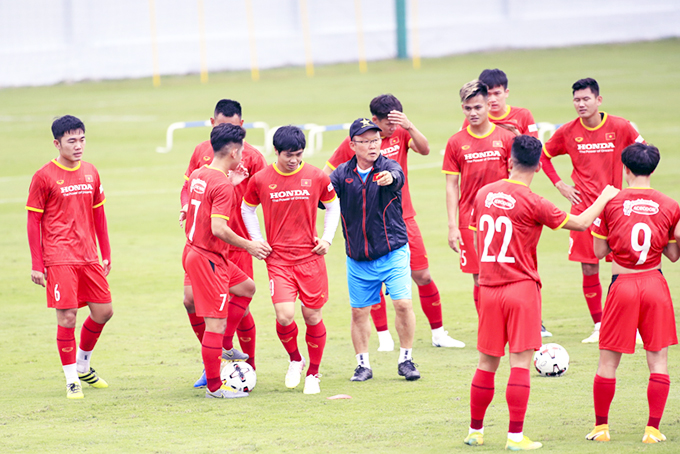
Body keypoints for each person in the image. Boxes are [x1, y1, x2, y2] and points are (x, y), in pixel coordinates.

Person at [464, 135, 619, 450]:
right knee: (519, 363)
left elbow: (479, 237)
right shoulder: (535, 202)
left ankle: (475, 432)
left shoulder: (483, 194)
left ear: (510, 161)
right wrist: (605, 197)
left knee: (486, 364)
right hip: (521, 289)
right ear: (537, 167)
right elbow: (581, 223)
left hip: (489, 288)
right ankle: (515, 438)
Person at [323, 94, 464, 350]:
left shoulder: (401, 133)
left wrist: (408, 125)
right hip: (370, 223)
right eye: (389, 122)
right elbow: (327, 177)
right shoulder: (357, 142)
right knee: (372, 277)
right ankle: (383, 335)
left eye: (396, 121)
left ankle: (438, 333)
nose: (392, 127)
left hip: (404, 219)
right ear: (375, 120)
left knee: (422, 274)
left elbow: (425, 149)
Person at [586, 143, 679, 444]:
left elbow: (599, 251)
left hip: (622, 286)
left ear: (625, 168)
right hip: (654, 284)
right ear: (653, 169)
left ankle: (601, 429)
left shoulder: (612, 203)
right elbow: (674, 254)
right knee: (658, 362)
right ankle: (652, 430)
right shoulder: (669, 204)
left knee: (608, 363)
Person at [540, 78, 645, 343]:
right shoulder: (567, 131)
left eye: (586, 99)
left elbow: (644, 152)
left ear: (598, 100)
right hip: (584, 211)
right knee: (589, 268)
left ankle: (629, 325)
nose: (581, 104)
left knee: (623, 268)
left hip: (617, 209)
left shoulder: (620, 126)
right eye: (576, 100)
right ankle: (599, 327)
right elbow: (543, 155)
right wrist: (560, 184)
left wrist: (634, 186)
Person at [241, 125, 340, 394]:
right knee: (285, 317)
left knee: (311, 315)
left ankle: (314, 374)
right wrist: (257, 240)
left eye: (298, 154)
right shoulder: (261, 179)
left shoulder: (316, 176)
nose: (294, 159)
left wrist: (327, 239)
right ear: (276, 151)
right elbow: (247, 209)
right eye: (289, 155)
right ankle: (296, 359)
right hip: (279, 260)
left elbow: (332, 205)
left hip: (310, 258)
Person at [180, 99, 267, 388]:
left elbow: (264, 197)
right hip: (213, 248)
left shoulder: (251, 158)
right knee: (195, 305)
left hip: (227, 247)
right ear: (213, 125)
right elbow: (214, 219)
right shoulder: (203, 160)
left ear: (241, 125)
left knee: (241, 300)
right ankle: (216, 369)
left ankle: (242, 365)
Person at [26, 115, 114, 399]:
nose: (78, 146)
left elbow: (98, 213)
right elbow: (33, 222)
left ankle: (83, 364)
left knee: (104, 312)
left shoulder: (91, 171)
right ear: (57, 143)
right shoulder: (43, 176)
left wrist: (106, 252)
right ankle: (71, 380)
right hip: (59, 256)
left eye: (82, 139)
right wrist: (37, 264)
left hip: (88, 256)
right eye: (71, 141)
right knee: (67, 317)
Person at [330, 118, 421, 382]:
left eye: (375, 140)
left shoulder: (388, 166)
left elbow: (397, 177)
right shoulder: (341, 175)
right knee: (359, 312)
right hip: (358, 257)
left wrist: (388, 178)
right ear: (352, 145)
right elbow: (323, 199)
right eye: (366, 141)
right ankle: (363, 365)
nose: (372, 146)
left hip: (393, 251)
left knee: (403, 304)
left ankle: (406, 360)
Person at [443, 80, 516, 313]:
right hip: (470, 221)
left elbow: (516, 181)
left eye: (478, 107)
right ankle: (488, 327)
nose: (473, 113)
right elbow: (452, 186)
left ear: (488, 105)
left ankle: (510, 320)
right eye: (467, 108)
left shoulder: (506, 138)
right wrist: (452, 225)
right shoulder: (456, 142)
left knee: (508, 273)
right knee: (478, 277)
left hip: (504, 218)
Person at [461, 68, 539, 139]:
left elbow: (535, 149)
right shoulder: (474, 117)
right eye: (488, 94)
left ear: (506, 93)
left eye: (497, 93)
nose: (492, 99)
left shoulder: (524, 115)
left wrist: (517, 135)